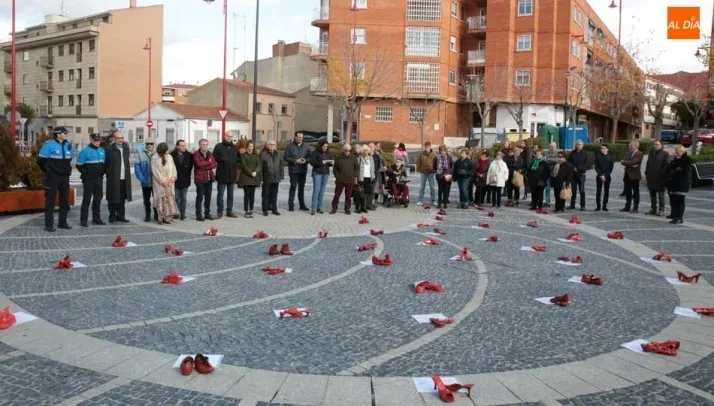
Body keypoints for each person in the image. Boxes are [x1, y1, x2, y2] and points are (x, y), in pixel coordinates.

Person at [38, 126, 73, 232]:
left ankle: (62, 223)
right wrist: (48, 171)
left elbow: (69, 159)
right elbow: (40, 161)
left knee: (64, 201)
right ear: (58, 134)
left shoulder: (68, 145)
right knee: (50, 201)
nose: (66, 135)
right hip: (53, 177)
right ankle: (49, 225)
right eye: (64, 133)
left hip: (65, 177)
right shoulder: (48, 145)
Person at [75, 133, 106, 227]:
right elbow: (78, 165)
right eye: (95, 140)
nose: (97, 142)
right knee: (87, 199)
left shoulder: (102, 150)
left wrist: (102, 172)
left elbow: (103, 163)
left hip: (99, 179)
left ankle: (96, 219)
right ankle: (83, 220)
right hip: (89, 179)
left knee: (98, 199)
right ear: (91, 140)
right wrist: (87, 173)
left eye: (98, 140)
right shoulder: (85, 151)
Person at [105, 131, 132, 223]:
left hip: (124, 178)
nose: (120, 140)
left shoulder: (126, 148)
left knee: (122, 198)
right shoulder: (109, 149)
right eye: (118, 138)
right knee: (112, 197)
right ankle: (112, 216)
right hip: (113, 178)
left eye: (122, 138)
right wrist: (109, 173)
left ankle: (121, 216)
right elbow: (106, 164)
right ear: (114, 139)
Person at [151, 142, 178, 224]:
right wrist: (163, 181)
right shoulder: (155, 158)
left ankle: (167, 218)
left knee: (168, 200)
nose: (168, 151)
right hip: (159, 183)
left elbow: (173, 168)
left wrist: (173, 177)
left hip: (169, 182)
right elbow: (155, 171)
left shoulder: (169, 157)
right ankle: (160, 217)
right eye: (167, 149)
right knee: (160, 200)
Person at [664, 145, 693, 224]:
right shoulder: (675, 159)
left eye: (678, 152)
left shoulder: (687, 160)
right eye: (676, 152)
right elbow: (669, 167)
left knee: (680, 201)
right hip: (673, 183)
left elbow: (683, 171)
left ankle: (679, 217)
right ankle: (674, 214)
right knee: (673, 200)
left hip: (681, 184)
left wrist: (674, 170)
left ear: (683, 152)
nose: (676, 153)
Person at [213, 133, 239, 218]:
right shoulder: (218, 146)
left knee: (230, 195)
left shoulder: (235, 147)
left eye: (230, 136)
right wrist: (222, 159)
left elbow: (238, 158)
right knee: (220, 194)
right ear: (224, 136)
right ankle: (220, 211)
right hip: (222, 174)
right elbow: (214, 157)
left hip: (232, 174)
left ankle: (229, 211)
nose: (229, 137)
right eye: (227, 136)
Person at [284, 131, 310, 212]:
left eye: (301, 137)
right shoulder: (290, 146)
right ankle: (291, 205)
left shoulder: (306, 146)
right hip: (293, 171)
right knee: (293, 187)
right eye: (299, 137)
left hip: (303, 170)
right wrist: (295, 160)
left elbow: (310, 157)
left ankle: (302, 205)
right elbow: (286, 157)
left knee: (301, 188)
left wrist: (305, 161)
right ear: (295, 137)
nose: (300, 139)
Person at [192, 138, 216, 221]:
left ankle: (207, 213)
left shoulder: (210, 153)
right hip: (200, 179)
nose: (204, 146)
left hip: (209, 178)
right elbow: (199, 164)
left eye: (206, 144)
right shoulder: (196, 154)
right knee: (200, 197)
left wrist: (205, 165)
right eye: (203, 144)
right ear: (199, 145)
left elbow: (214, 164)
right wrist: (209, 162)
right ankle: (198, 215)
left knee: (208, 197)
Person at [331, 143, 359, 214]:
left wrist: (354, 175)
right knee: (337, 195)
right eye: (345, 150)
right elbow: (335, 168)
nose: (347, 152)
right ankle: (334, 208)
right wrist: (337, 176)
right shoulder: (339, 157)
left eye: (348, 150)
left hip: (350, 180)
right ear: (343, 150)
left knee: (348, 196)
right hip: (340, 180)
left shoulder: (354, 157)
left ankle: (347, 209)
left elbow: (357, 168)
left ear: (350, 150)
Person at [645, 139, 670, 216]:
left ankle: (661, 210)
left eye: (657, 144)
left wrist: (661, 173)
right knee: (652, 195)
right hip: (651, 177)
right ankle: (653, 209)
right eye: (654, 144)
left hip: (660, 178)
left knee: (661, 195)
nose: (655, 146)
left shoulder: (665, 154)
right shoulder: (651, 153)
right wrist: (646, 172)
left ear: (661, 145)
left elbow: (666, 165)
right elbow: (648, 163)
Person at [135, 138, 157, 222]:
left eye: (151, 143)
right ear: (145, 145)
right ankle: (147, 214)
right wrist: (142, 179)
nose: (149, 145)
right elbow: (137, 168)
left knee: (156, 199)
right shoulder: (140, 155)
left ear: (154, 144)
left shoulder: (157, 154)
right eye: (148, 144)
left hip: (156, 182)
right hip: (145, 182)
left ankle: (156, 214)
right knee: (146, 200)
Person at [238, 140, 261, 218]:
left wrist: (256, 171)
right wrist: (251, 173)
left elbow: (259, 165)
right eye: (249, 146)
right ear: (247, 147)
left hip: (254, 177)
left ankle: (251, 210)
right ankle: (246, 211)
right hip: (246, 177)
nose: (251, 148)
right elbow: (244, 165)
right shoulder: (243, 155)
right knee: (247, 194)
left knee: (252, 195)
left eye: (252, 146)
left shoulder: (256, 155)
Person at [170, 139, 193, 221]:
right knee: (176, 198)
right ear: (177, 146)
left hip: (185, 180)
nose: (184, 147)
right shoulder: (171, 155)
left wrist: (187, 175)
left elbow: (190, 167)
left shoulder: (189, 155)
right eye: (182, 146)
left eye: (185, 145)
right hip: (175, 180)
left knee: (183, 198)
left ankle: (183, 215)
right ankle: (176, 214)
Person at [309, 139, 334, 215]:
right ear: (320, 146)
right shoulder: (315, 152)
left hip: (325, 174)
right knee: (316, 191)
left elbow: (329, 163)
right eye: (324, 146)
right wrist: (321, 162)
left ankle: (319, 207)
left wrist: (331, 163)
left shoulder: (328, 153)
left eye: (326, 146)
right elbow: (312, 162)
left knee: (322, 192)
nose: (325, 148)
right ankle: (313, 208)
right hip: (317, 173)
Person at [260, 140, 283, 216]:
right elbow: (260, 167)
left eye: (273, 144)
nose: (272, 145)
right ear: (267, 145)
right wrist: (261, 178)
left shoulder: (278, 154)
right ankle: (265, 210)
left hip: (276, 177)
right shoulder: (263, 154)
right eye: (270, 144)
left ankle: (274, 209)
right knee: (265, 194)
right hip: (266, 177)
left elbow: (281, 165)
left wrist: (281, 176)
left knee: (274, 194)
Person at [621, 141, 643, 213]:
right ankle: (627, 206)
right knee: (628, 192)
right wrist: (629, 164)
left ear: (636, 146)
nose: (629, 147)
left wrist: (626, 162)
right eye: (629, 145)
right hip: (627, 175)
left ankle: (635, 207)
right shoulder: (628, 153)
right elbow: (623, 161)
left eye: (631, 145)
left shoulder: (639, 154)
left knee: (635, 192)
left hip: (634, 176)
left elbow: (634, 162)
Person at [567, 140, 588, 211]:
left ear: (582, 145)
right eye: (577, 144)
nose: (579, 146)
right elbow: (569, 162)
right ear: (576, 145)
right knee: (573, 190)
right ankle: (572, 204)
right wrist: (573, 167)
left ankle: (582, 205)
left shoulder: (585, 153)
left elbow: (587, 164)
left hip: (581, 174)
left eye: (580, 144)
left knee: (582, 190)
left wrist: (578, 168)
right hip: (573, 174)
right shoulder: (572, 153)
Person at [594, 144, 615, 211]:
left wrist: (605, 175)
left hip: (607, 176)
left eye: (603, 148)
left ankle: (604, 205)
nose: (602, 149)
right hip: (599, 176)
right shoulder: (598, 157)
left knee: (606, 191)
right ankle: (598, 205)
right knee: (598, 191)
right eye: (601, 148)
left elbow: (610, 169)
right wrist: (600, 175)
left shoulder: (611, 158)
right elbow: (596, 167)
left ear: (607, 149)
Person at [355, 145, 375, 214]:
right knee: (360, 194)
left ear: (368, 151)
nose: (365, 152)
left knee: (366, 194)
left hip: (369, 178)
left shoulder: (371, 158)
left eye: (367, 150)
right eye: (364, 150)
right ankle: (357, 208)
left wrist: (373, 176)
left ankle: (363, 207)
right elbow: (356, 168)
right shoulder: (359, 158)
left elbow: (373, 168)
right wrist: (356, 177)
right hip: (361, 178)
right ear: (362, 151)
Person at [417, 141, 436, 206]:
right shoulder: (421, 154)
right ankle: (420, 200)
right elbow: (418, 162)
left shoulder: (433, 154)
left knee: (432, 187)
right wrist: (419, 169)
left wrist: (434, 170)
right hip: (423, 172)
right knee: (422, 187)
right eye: (425, 147)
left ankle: (433, 200)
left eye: (428, 147)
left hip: (431, 172)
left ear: (430, 147)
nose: (427, 148)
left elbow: (435, 163)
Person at [368, 142, 384, 210]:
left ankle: (370, 204)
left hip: (374, 175)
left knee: (372, 191)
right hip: (366, 175)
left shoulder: (377, 156)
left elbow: (378, 166)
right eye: (369, 146)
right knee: (366, 191)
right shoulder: (366, 155)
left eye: (371, 147)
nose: (370, 148)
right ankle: (365, 204)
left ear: (374, 148)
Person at [543, 142, 558, 207]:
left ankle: (557, 203)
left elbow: (556, 160)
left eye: (552, 147)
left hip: (555, 173)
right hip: (547, 172)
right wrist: (552, 159)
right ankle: (547, 202)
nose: (551, 148)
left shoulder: (557, 153)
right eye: (550, 147)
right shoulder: (546, 152)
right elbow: (544, 159)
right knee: (547, 188)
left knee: (556, 189)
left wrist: (548, 159)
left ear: (555, 147)